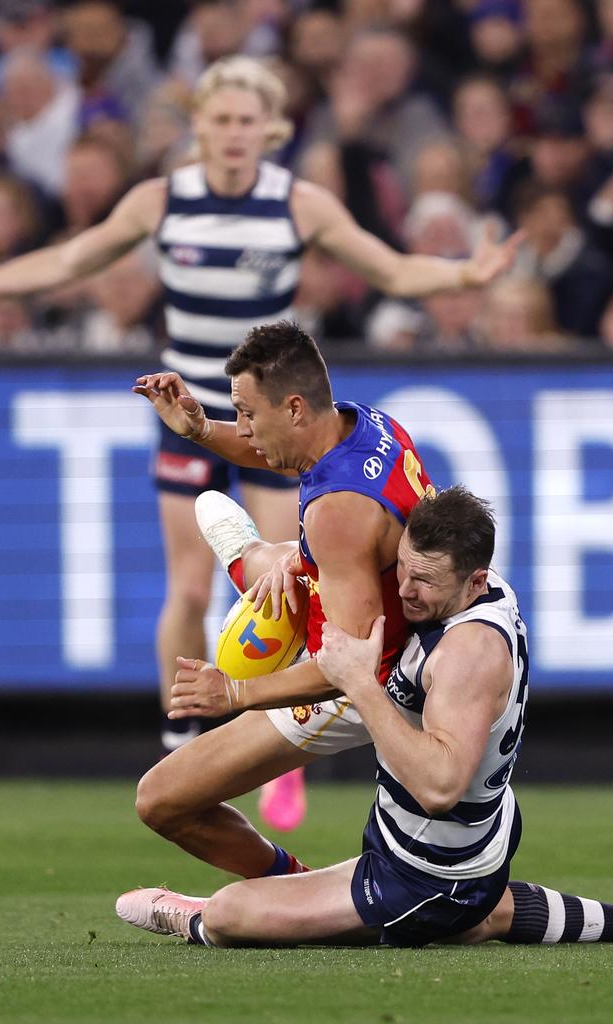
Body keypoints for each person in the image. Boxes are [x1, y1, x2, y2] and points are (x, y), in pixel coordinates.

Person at [0, 56, 521, 814]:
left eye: (245, 120)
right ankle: (187, 733)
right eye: (219, 119)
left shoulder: (297, 204)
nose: (232, 133)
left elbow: (389, 268)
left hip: (272, 422)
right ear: (199, 126)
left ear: (270, 129)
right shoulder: (164, 200)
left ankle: (263, 725)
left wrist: (462, 276)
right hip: (199, 412)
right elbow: (70, 258)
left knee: (296, 585)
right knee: (189, 588)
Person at [115, 486, 613, 949]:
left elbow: (440, 786)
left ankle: (205, 915)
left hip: (422, 876)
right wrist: (299, 561)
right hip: (469, 852)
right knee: (483, 913)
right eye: (403, 569)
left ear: (476, 581)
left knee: (231, 913)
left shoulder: (467, 654)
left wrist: (349, 682)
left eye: (423, 581)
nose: (404, 590)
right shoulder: (472, 591)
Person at [128, 319, 435, 875]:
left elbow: (349, 669)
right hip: (389, 613)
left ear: (294, 409)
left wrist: (236, 692)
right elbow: (275, 456)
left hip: (371, 682)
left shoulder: (336, 512)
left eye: (247, 413)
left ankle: (292, 887)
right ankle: (261, 560)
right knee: (284, 562)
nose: (241, 430)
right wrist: (199, 429)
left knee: (162, 800)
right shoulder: (365, 424)